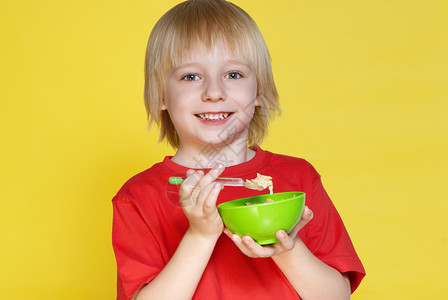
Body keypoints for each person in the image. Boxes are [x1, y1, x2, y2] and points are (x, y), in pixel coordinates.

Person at [112, 0, 366, 299]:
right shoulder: (138, 196)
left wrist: (287, 248)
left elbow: (337, 296)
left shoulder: (299, 179)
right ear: (161, 95)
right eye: (191, 77)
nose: (214, 93)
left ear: (259, 90)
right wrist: (200, 235)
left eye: (233, 74)